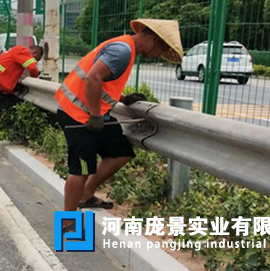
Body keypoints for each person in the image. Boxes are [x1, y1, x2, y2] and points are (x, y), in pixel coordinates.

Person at [55, 18, 182, 230]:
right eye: (161, 49)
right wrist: (95, 115)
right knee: (81, 168)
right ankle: (68, 221)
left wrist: (123, 99)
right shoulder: (122, 51)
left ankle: (86, 194)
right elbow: (92, 79)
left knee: (120, 151)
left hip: (94, 113)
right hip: (79, 115)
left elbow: (102, 81)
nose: (158, 55)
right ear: (152, 39)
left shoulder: (126, 49)